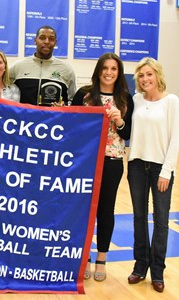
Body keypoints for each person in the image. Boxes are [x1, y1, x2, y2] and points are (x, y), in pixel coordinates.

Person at [71, 53, 133, 282]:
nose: (109, 72)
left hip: (113, 161)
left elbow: (127, 134)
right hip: (85, 161)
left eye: (114, 69)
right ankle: (84, 256)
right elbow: (72, 128)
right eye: (105, 68)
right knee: (84, 210)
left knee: (106, 211)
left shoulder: (126, 98)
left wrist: (119, 121)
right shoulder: (84, 95)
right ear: (98, 70)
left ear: (119, 72)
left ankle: (102, 259)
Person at [126, 57, 179, 293]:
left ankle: (157, 270)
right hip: (137, 166)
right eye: (141, 75)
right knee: (139, 217)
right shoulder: (136, 100)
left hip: (160, 168)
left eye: (149, 74)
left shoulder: (171, 102)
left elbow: (175, 139)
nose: (145, 78)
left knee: (161, 221)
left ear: (158, 75)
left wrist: (167, 171)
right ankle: (141, 266)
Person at [9, 25, 76, 105]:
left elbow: (72, 101)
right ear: (35, 40)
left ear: (55, 42)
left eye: (51, 39)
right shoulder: (18, 67)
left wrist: (64, 107)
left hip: (54, 117)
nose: (47, 42)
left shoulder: (66, 70)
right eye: (42, 38)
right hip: (24, 117)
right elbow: (4, 93)